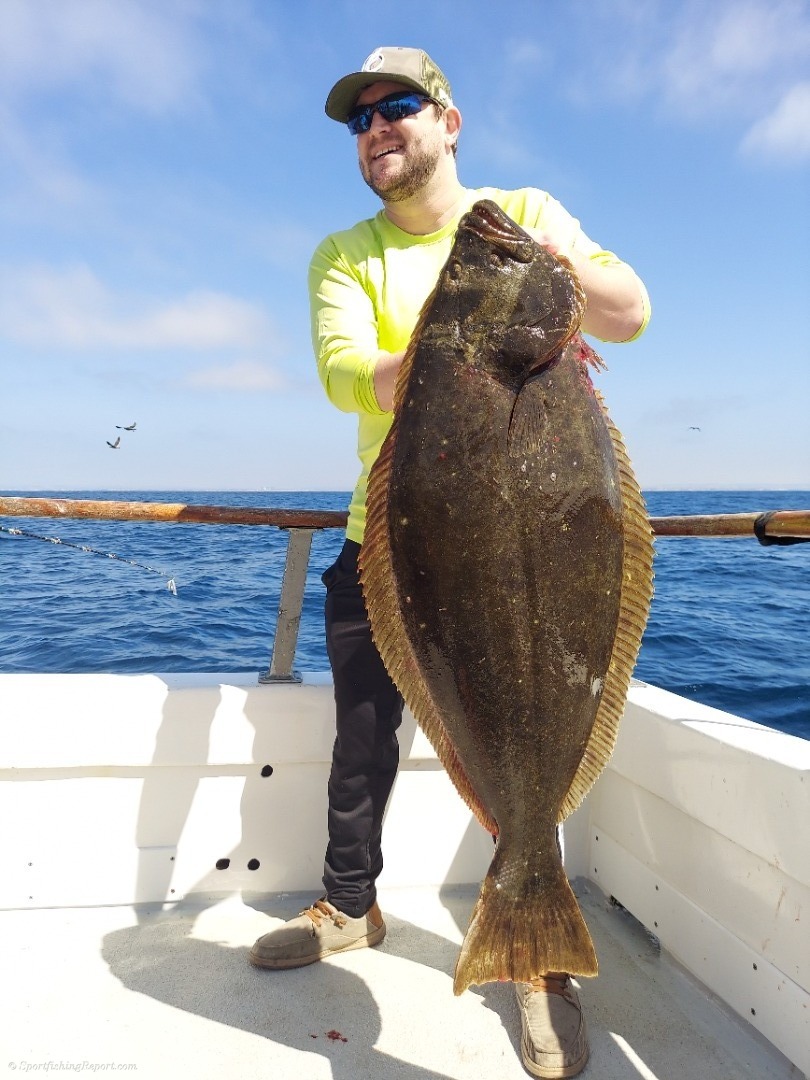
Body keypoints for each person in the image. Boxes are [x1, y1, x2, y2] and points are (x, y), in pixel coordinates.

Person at [250, 46, 650, 1079]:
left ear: (449, 121)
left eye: (397, 108)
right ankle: (351, 906)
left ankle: (537, 961)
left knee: (539, 711)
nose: (377, 129)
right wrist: (447, 350)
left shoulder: (524, 215)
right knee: (362, 740)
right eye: (359, 120)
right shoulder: (345, 254)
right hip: (394, 544)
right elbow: (350, 375)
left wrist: (555, 273)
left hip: (541, 540)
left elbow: (629, 314)